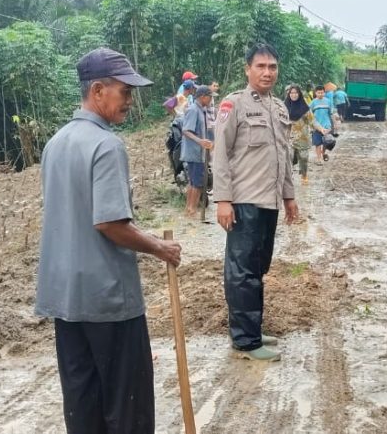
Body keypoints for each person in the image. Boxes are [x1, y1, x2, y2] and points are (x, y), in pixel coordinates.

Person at [36, 47, 183, 433]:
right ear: (98, 91)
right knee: (127, 408)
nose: (130, 103)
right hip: (108, 300)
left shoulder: (56, 143)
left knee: (83, 404)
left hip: (66, 300)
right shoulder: (106, 146)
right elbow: (110, 224)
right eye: (125, 93)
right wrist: (159, 247)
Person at [212, 43, 299, 362]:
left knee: (258, 268)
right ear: (247, 70)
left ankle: (253, 328)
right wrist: (223, 199)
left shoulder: (278, 108)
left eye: (272, 67)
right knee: (242, 272)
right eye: (260, 66)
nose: (267, 72)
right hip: (244, 201)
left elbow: (284, 156)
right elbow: (220, 153)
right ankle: (245, 341)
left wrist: (289, 196)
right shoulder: (233, 105)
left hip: (269, 203)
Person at [180, 86, 214, 217]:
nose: (211, 100)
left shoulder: (201, 110)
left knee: (193, 181)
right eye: (210, 97)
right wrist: (200, 141)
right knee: (198, 182)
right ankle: (192, 210)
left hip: (198, 151)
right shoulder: (194, 110)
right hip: (195, 152)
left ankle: (189, 209)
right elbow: (186, 130)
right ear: (203, 97)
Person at [285, 84, 322, 186]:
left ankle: (304, 175)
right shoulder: (284, 107)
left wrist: (321, 129)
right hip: (289, 137)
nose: (293, 95)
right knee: (289, 156)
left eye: (296, 93)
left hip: (303, 137)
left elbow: (312, 121)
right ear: (288, 94)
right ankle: (289, 177)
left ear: (299, 94)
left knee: (304, 158)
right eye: (291, 93)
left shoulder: (304, 107)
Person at [310, 86, 335, 163]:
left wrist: (333, 124)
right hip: (316, 127)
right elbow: (310, 116)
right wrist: (311, 126)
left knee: (326, 142)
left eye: (322, 92)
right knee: (318, 143)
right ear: (315, 93)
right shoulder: (313, 103)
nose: (320, 94)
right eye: (318, 93)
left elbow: (331, 114)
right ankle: (319, 158)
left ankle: (323, 153)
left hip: (326, 126)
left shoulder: (328, 102)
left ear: (324, 93)